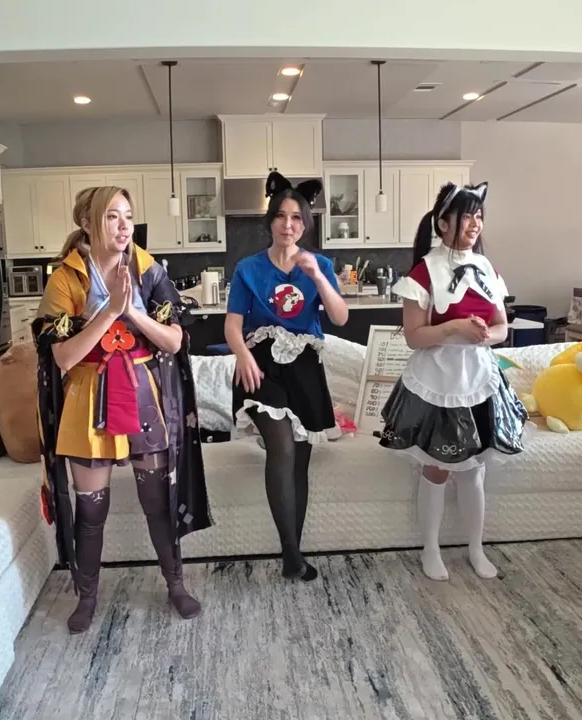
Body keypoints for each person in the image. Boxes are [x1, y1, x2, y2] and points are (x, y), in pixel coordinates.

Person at [32, 185, 211, 634]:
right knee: (91, 511)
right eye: (112, 216)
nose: (124, 226)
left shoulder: (148, 270)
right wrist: (109, 312)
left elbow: (175, 340)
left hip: (142, 392)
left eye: (128, 216)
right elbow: (63, 357)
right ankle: (87, 597)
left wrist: (132, 313)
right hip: (87, 396)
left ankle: (176, 584)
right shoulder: (65, 278)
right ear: (88, 222)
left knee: (158, 503)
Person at [377, 182, 528, 581]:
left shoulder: (487, 269)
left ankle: (476, 548)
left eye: (479, 215)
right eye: (467, 216)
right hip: (437, 380)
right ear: (443, 223)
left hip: (478, 377)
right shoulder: (423, 272)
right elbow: (413, 337)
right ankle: (430, 549)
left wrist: (484, 336)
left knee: (475, 471)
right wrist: (454, 329)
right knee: (437, 470)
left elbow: (502, 327)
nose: (475, 223)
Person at [224, 172, 348, 582]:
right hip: (261, 365)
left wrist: (317, 277)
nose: (288, 224)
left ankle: (293, 553)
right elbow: (232, 324)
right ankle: (292, 555)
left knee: (300, 460)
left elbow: (339, 317)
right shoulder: (248, 268)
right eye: (280, 216)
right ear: (270, 221)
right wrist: (242, 354)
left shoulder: (320, 265)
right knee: (281, 446)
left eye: (296, 217)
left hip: (305, 367)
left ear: (305, 224)